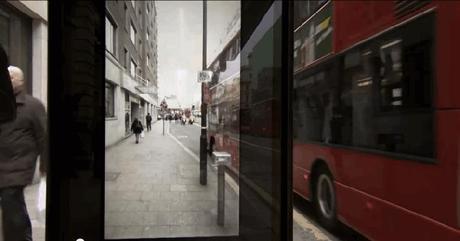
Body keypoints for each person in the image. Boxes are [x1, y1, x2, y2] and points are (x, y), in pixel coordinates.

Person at [0, 65, 47, 241]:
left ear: (21, 81)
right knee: (11, 207)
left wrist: (45, 165)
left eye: (11, 77)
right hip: (3, 164)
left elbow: (44, 137)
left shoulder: (33, 106)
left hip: (18, 166)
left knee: (11, 203)